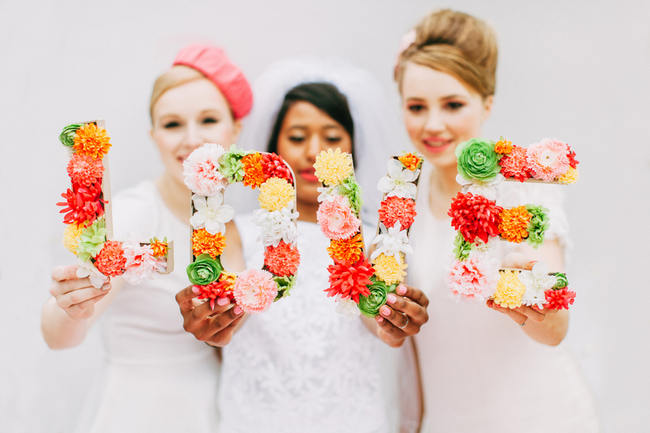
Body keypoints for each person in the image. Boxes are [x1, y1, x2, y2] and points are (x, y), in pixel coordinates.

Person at [175, 59, 428, 433]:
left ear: (352, 150)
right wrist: (214, 319)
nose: (313, 152)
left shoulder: (377, 240)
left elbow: (379, 322)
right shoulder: (233, 232)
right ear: (272, 148)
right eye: (296, 137)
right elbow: (223, 315)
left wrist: (393, 324)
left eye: (331, 138)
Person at [394, 9, 599, 432]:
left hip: (537, 417)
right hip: (448, 420)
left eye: (453, 104)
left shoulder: (522, 189)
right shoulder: (400, 203)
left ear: (486, 104)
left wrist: (534, 293)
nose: (433, 124)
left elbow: (555, 329)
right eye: (416, 107)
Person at [40, 44, 251, 433]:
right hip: (144, 411)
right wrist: (71, 308)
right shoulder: (136, 216)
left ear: (235, 130)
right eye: (172, 125)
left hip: (218, 407)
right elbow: (59, 337)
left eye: (208, 119)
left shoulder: (241, 225)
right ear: (154, 136)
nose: (191, 139)